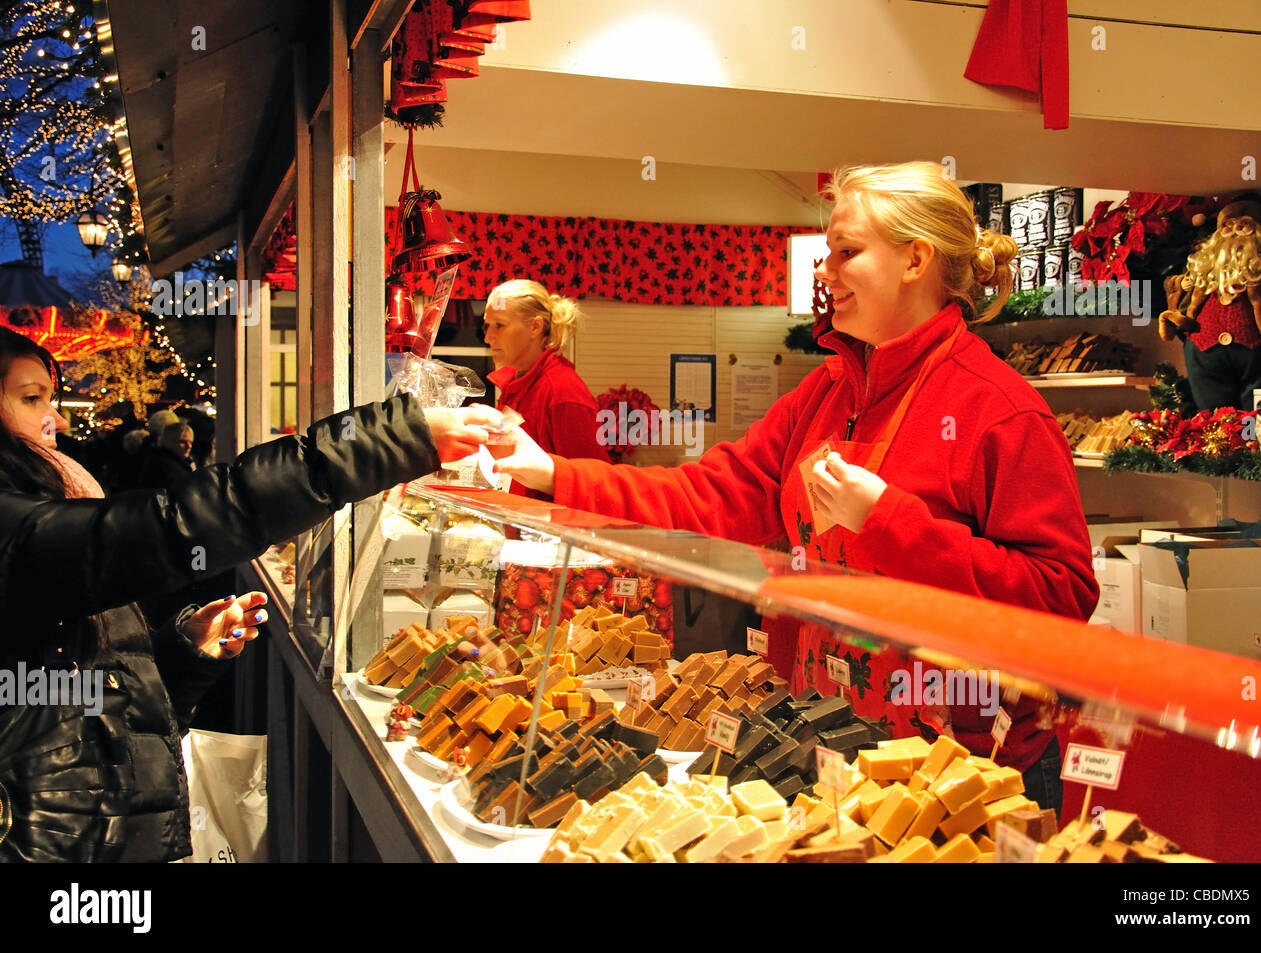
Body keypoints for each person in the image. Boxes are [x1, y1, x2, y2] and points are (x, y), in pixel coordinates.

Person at [495, 162, 1099, 811]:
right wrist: (552, 472)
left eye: (846, 252)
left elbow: (1061, 598)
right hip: (829, 742)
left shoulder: (1000, 411)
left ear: (915, 259)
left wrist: (889, 520)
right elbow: (704, 495)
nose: (824, 269)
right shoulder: (826, 391)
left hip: (961, 779)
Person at [0, 327, 500, 861]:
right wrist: (395, 438)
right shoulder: (14, 526)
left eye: (49, 399)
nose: (54, 420)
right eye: (32, 400)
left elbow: (77, 688)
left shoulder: (39, 504)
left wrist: (180, 652)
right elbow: (179, 524)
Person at [483, 280, 609, 487]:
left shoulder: (562, 393)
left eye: (499, 325)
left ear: (535, 327)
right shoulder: (517, 384)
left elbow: (593, 485)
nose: (488, 337)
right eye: (487, 326)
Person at [135, 420, 196, 490]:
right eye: (183, 442)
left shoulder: (185, 462)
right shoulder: (162, 466)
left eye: (190, 442)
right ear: (168, 441)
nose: (189, 446)